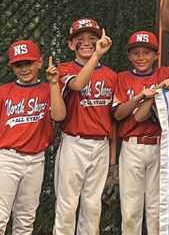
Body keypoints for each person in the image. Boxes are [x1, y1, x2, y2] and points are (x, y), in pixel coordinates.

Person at [0, 40, 65, 235]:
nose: (24, 69)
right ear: (11, 66)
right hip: (5, 159)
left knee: (26, 219)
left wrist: (54, 84)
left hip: (36, 159)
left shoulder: (48, 90)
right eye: (18, 65)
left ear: (40, 62)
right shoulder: (3, 92)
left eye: (28, 63)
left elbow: (59, 116)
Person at [53, 19, 118, 235]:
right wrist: (97, 55)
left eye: (92, 38)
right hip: (74, 142)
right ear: (71, 45)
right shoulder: (65, 69)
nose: (87, 43)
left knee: (92, 206)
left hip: (100, 145)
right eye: (80, 39)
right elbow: (78, 85)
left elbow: (113, 119)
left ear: (100, 39)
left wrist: (112, 155)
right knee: (67, 204)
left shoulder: (111, 75)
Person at [111, 31, 169, 235]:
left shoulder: (165, 73)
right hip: (132, 146)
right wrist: (140, 96)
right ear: (129, 56)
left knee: (156, 207)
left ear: (156, 55)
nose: (141, 58)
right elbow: (118, 114)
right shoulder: (122, 78)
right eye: (136, 53)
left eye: (146, 53)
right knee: (131, 208)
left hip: (159, 146)